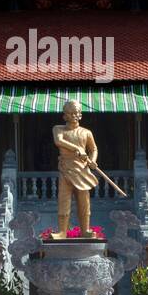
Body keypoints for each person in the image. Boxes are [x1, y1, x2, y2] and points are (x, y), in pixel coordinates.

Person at [52, 100, 98, 237]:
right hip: (66, 169)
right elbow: (58, 141)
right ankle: (62, 232)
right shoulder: (58, 129)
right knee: (64, 201)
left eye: (76, 113)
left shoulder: (86, 132)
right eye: (70, 113)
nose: (73, 116)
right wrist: (76, 148)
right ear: (64, 116)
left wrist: (92, 161)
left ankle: (85, 231)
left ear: (80, 115)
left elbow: (94, 149)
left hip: (82, 171)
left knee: (84, 202)